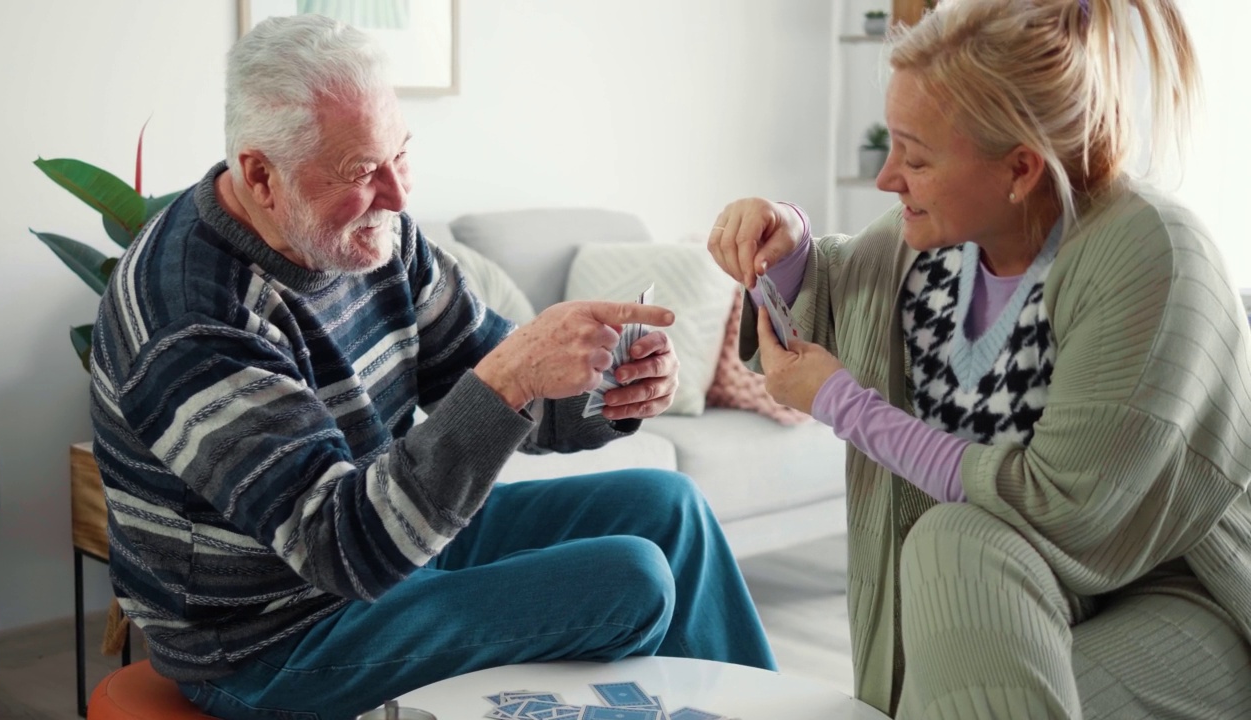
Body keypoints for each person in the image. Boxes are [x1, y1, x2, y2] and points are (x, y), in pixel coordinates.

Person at [89, 13, 775, 720]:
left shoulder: (373, 238)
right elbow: (343, 547)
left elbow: (492, 372)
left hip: (395, 547)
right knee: (631, 580)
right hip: (270, 640)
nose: (398, 194)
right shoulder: (191, 317)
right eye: (362, 171)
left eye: (401, 155)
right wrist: (512, 375)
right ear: (262, 175)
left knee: (671, 510)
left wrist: (610, 392)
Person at [708, 0, 1251, 718]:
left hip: (1178, 593)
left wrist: (844, 404)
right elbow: (841, 283)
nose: (886, 177)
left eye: (916, 155)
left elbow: (1065, 510)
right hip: (1016, 587)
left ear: (1020, 169)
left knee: (953, 557)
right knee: (956, 544)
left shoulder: (1152, 259)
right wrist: (786, 237)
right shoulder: (940, 242)